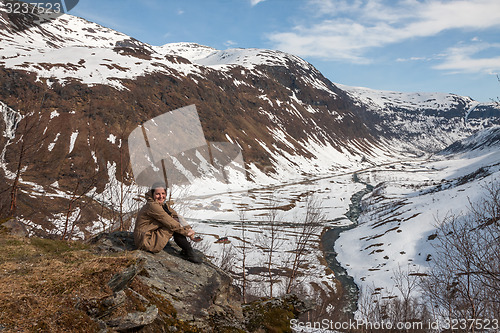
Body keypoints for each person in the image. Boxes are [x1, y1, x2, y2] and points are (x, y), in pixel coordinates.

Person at [134, 182, 202, 264]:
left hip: (147, 237)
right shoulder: (152, 206)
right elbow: (170, 223)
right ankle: (188, 252)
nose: (161, 196)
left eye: (163, 193)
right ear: (152, 194)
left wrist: (188, 229)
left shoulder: (161, 205)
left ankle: (187, 251)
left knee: (175, 220)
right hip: (145, 242)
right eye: (157, 194)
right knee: (172, 226)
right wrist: (186, 233)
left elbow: (176, 216)